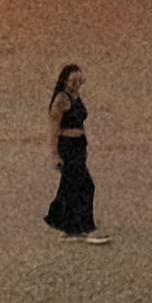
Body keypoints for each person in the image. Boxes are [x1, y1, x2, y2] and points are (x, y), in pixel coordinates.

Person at [45, 62, 101, 241]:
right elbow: (54, 129)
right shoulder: (61, 100)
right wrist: (55, 155)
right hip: (67, 146)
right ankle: (81, 227)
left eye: (79, 80)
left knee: (71, 186)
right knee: (85, 185)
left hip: (78, 146)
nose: (77, 84)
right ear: (65, 81)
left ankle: (69, 227)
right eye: (73, 81)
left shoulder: (76, 96)